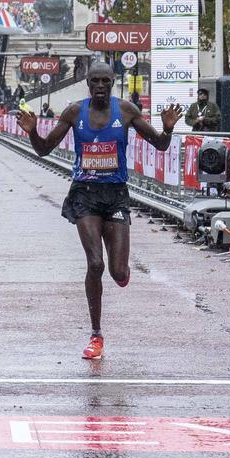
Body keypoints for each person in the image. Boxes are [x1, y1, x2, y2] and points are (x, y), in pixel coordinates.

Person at [18, 63, 182, 360]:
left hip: (115, 195)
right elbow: (44, 149)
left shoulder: (127, 110)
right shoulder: (73, 112)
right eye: (95, 81)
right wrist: (32, 132)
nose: (101, 86)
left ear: (113, 81)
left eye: (106, 80)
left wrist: (168, 128)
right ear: (88, 83)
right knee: (95, 265)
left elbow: (160, 145)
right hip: (84, 195)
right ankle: (96, 335)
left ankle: (122, 273)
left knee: (118, 272)